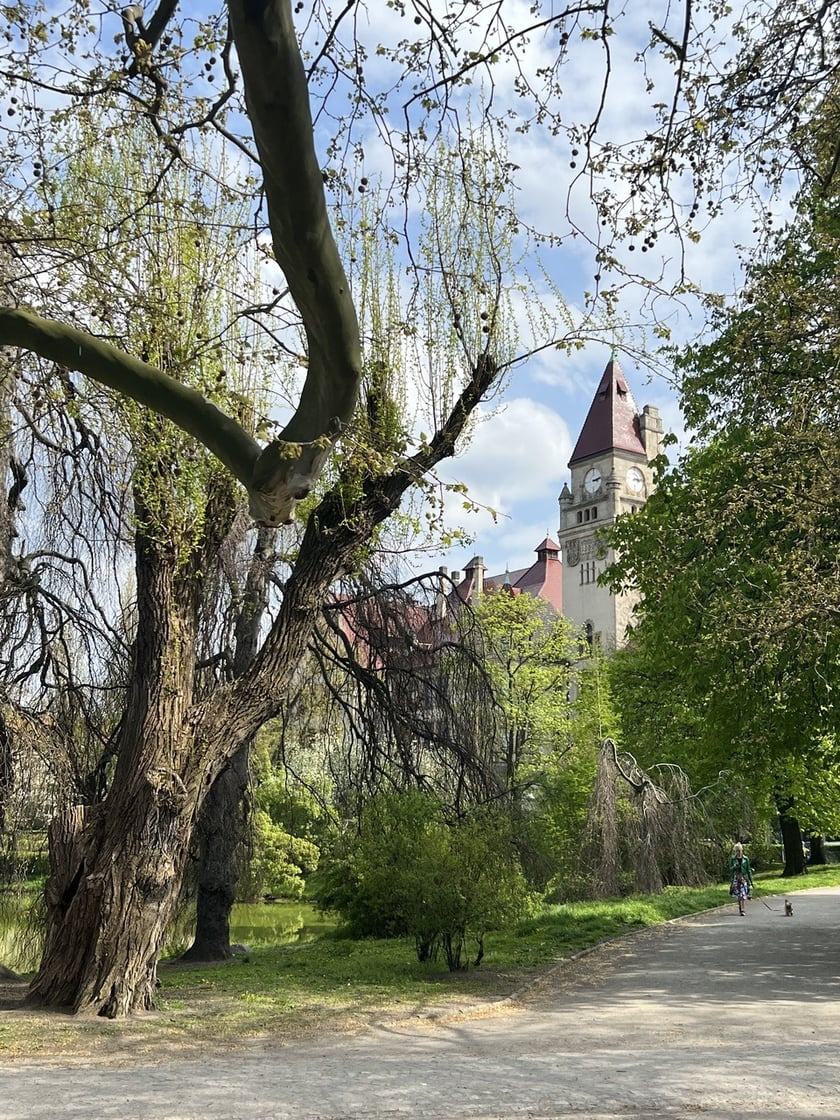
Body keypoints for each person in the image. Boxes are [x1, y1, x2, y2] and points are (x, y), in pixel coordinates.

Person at [728, 842, 755, 916]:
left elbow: (748, 870)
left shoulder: (746, 859)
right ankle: (740, 908)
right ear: (735, 851)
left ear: (742, 850)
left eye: (739, 850)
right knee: (739, 895)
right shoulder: (733, 859)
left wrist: (751, 882)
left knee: (743, 894)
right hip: (736, 878)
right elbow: (730, 870)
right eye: (737, 850)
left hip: (743, 878)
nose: (738, 852)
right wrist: (734, 867)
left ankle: (742, 909)